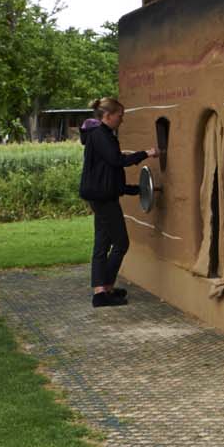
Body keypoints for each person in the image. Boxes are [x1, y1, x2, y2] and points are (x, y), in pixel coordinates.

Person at [79, 97, 149, 308]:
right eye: (120, 116)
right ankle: (104, 288)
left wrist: (134, 190)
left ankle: (101, 291)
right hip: (103, 198)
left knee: (102, 243)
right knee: (121, 242)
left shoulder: (102, 135)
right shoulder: (101, 135)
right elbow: (117, 161)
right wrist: (146, 154)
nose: (122, 120)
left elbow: (109, 172)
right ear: (107, 116)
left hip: (101, 195)